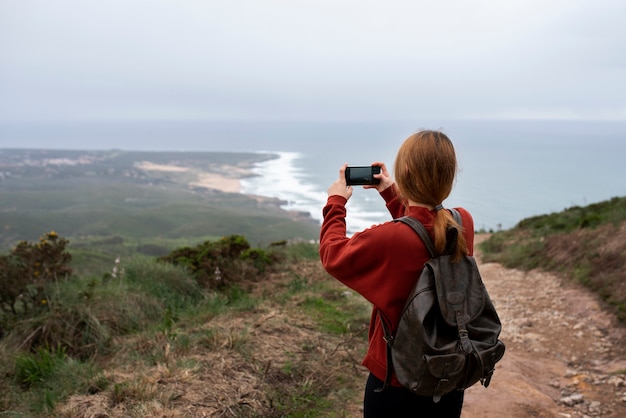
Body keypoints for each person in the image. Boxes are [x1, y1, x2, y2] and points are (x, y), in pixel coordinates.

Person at [319, 130, 474, 417]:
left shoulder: (389, 238)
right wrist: (391, 193)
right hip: (447, 376)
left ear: (405, 171)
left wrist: (336, 203)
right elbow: (425, 227)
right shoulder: (462, 222)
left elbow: (332, 254)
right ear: (450, 175)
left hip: (395, 383)